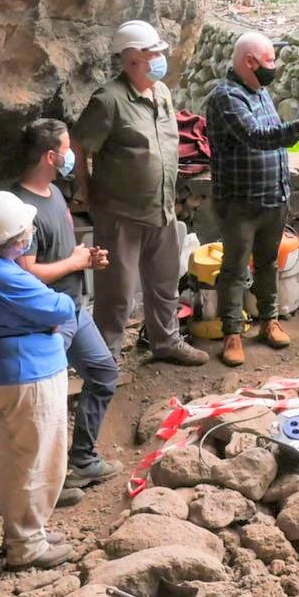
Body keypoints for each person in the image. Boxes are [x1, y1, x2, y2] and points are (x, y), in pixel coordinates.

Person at [72, 20, 208, 366]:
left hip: (161, 208)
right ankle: (107, 358)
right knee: (116, 293)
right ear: (133, 60)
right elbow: (80, 145)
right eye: (155, 54)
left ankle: (166, 342)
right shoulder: (108, 101)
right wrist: (84, 190)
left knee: (164, 282)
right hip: (120, 215)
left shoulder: (160, 91)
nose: (162, 58)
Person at [0, 192, 78, 571]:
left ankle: (29, 531)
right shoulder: (5, 276)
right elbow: (61, 307)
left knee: (18, 458)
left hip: (8, 371)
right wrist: (46, 318)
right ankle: (26, 545)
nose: (29, 236)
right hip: (28, 375)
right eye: (26, 232)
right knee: (35, 460)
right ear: (15, 240)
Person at [205, 30, 299, 367]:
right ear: (250, 61)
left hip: (273, 197)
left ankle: (268, 322)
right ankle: (233, 333)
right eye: (269, 60)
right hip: (240, 202)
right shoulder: (226, 97)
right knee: (233, 269)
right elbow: (256, 137)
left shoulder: (259, 93)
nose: (274, 67)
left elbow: (269, 140)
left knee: (267, 263)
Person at [13, 119, 122, 495]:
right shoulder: (20, 209)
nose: (71, 153)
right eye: (65, 148)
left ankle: (83, 460)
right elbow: (26, 273)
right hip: (48, 321)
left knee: (104, 374)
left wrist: (85, 258)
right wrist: (75, 264)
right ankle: (44, 483)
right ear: (49, 156)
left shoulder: (55, 193)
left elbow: (62, 252)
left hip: (74, 309)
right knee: (46, 400)